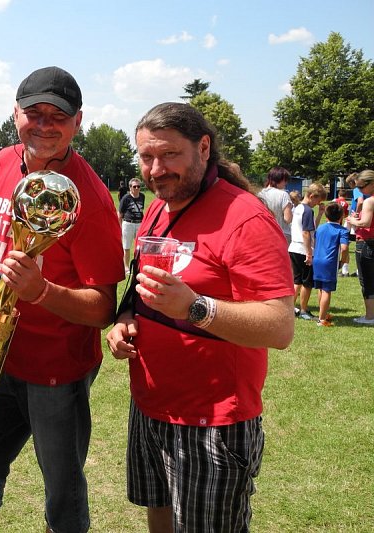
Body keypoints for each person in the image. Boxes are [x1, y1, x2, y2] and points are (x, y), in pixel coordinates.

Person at [105, 102, 294, 532]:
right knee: (159, 517)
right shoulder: (158, 209)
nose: (156, 170)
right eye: (146, 157)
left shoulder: (244, 216)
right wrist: (124, 318)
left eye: (169, 154)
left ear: (203, 148)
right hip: (150, 406)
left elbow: (280, 326)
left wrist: (195, 307)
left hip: (213, 421)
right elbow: (141, 286)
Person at [0, 66, 124, 533]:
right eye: (35, 113)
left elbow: (102, 309)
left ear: (78, 122)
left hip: (57, 368)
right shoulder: (1, 163)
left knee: (62, 487)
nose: (45, 125)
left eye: (59, 116)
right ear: (15, 114)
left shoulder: (90, 197)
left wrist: (42, 291)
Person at [289, 183, 328, 319]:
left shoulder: (298, 208)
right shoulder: (307, 211)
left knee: (297, 281)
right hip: (303, 249)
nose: (318, 204)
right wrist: (309, 253)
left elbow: (311, 228)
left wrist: (320, 214)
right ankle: (304, 310)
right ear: (312, 196)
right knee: (307, 282)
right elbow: (306, 233)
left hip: (294, 247)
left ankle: (289, 308)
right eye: (318, 200)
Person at [312, 202, 350, 326]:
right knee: (327, 290)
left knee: (320, 288)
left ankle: (322, 313)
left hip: (317, 260)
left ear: (326, 215)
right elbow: (344, 248)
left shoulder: (320, 228)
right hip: (329, 262)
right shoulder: (342, 230)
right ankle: (322, 319)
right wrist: (343, 261)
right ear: (341, 216)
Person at [346, 169, 374, 324]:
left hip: (366, 243)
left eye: (362, 187)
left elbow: (366, 223)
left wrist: (352, 220)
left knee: (367, 281)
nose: (360, 190)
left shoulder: (370, 201)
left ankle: (370, 317)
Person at [258, 166, 294, 243]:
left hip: (264, 233)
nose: (286, 183)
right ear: (278, 179)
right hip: (282, 234)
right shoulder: (283, 194)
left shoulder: (260, 194)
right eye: (285, 180)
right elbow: (288, 219)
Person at [119, 177, 146, 275]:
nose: (137, 188)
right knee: (126, 247)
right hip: (128, 224)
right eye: (134, 186)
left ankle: (139, 265)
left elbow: (142, 210)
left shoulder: (142, 196)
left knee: (140, 247)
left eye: (138, 186)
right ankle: (126, 267)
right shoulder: (126, 198)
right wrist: (120, 227)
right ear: (130, 187)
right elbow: (120, 214)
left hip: (139, 223)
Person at [332, 188, 350, 275]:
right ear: (346, 196)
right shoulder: (346, 204)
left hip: (332, 223)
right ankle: (344, 269)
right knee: (344, 246)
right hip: (340, 224)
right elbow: (346, 215)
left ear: (339, 194)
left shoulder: (334, 200)